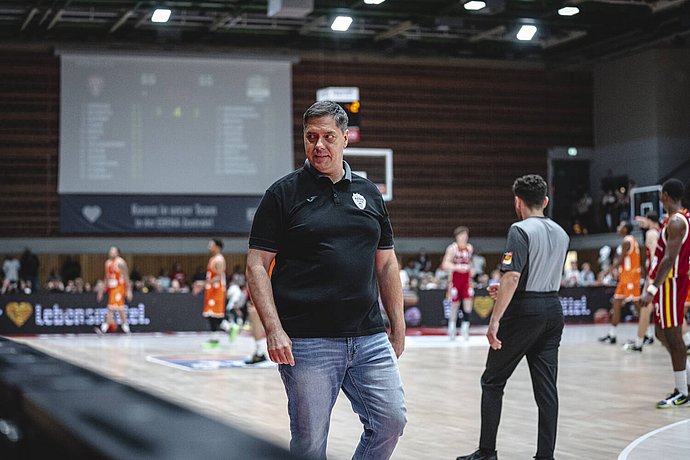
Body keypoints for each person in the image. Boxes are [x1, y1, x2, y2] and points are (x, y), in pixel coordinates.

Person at [246, 101, 406, 460]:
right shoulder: (282, 194)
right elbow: (256, 265)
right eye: (311, 137)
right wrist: (273, 329)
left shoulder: (370, 193)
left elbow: (386, 264)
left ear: (345, 138)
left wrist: (398, 324)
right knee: (310, 445)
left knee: (391, 422)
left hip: (368, 337)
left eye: (328, 137)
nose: (319, 145)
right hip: (307, 343)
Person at [457, 174, 569, 460]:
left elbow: (513, 275)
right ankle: (545, 456)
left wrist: (495, 320)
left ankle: (487, 452)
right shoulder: (562, 233)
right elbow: (536, 274)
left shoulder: (519, 230)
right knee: (547, 390)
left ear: (518, 202)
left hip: (523, 313)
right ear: (545, 201)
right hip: (552, 308)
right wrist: (511, 289)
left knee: (492, 381)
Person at [636, 179, 690, 408]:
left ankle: (682, 391)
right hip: (669, 283)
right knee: (661, 333)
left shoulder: (676, 223)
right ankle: (686, 379)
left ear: (665, 195)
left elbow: (669, 260)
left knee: (673, 336)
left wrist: (651, 289)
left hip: (671, 283)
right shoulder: (675, 219)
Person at [599, 221, 640, 344]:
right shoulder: (628, 240)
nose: (617, 228)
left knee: (638, 306)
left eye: (620, 226)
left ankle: (647, 334)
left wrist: (606, 272)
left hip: (630, 278)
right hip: (624, 279)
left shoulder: (627, 241)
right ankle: (612, 335)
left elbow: (620, 260)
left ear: (625, 229)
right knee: (616, 304)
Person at [623, 212, 660, 352]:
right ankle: (641, 341)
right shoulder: (659, 231)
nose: (641, 224)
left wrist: (651, 279)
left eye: (644, 220)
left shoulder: (651, 233)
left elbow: (655, 257)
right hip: (658, 277)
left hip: (654, 278)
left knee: (645, 308)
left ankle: (639, 343)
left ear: (650, 220)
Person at [441, 226, 475, 340]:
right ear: (457, 236)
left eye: (466, 236)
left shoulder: (469, 248)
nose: (464, 238)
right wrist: (457, 267)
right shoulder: (452, 248)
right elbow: (445, 264)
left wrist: (471, 269)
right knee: (454, 304)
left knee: (468, 303)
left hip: (466, 280)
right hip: (455, 279)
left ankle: (465, 328)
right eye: (462, 235)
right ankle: (452, 327)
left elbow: (470, 263)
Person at [96, 246, 133, 334]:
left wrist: (129, 290)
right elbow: (106, 277)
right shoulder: (107, 263)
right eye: (110, 251)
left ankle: (104, 328)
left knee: (111, 308)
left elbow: (126, 276)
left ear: (117, 253)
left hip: (119, 288)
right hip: (111, 289)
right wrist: (102, 290)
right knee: (120, 308)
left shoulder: (120, 262)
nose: (111, 253)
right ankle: (126, 327)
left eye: (113, 251)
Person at [202, 239, 227, 348]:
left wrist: (203, 283)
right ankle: (229, 327)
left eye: (211, 245)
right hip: (211, 290)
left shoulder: (219, 260)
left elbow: (219, 277)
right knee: (210, 315)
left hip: (217, 291)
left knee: (214, 315)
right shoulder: (212, 259)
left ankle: (215, 339)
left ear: (217, 247)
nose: (209, 247)